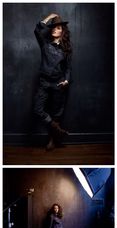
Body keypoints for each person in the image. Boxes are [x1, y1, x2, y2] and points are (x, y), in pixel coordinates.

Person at [34, 13, 72, 150]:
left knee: (57, 113)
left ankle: (53, 141)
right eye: (53, 28)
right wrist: (48, 17)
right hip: (44, 82)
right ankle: (58, 131)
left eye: (58, 28)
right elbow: (37, 30)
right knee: (38, 109)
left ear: (63, 31)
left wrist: (67, 80)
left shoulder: (66, 49)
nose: (55, 30)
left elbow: (68, 68)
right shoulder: (44, 44)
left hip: (58, 84)